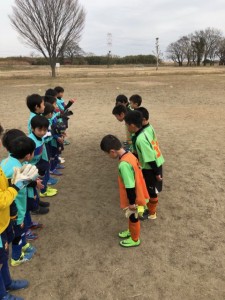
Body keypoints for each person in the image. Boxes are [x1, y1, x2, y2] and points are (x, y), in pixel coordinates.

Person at [100, 135, 149, 247]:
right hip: (139, 192)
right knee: (131, 216)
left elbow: (130, 186)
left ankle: (135, 239)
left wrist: (132, 203)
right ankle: (131, 231)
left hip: (135, 197)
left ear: (112, 151)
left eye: (107, 154)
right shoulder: (129, 154)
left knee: (133, 216)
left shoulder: (124, 165)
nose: (108, 156)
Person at [0, 124, 31, 300]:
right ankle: (3, 294)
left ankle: (7, 283)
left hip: (3, 221)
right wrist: (16, 187)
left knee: (3, 256)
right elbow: (3, 199)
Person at [1, 136, 38, 267]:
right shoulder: (16, 169)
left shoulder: (6, 162)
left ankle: (24, 244)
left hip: (11, 207)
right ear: (28, 155)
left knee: (20, 230)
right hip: (15, 209)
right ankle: (17, 257)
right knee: (18, 231)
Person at [124, 110, 164, 220]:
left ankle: (152, 213)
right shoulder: (144, 131)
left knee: (152, 191)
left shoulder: (140, 140)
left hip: (151, 168)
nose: (126, 128)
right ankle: (149, 209)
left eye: (127, 125)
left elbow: (150, 159)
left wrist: (156, 174)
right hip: (155, 164)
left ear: (132, 125)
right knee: (149, 189)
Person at [29, 116, 57, 198]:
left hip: (40, 161)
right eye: (40, 130)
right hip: (32, 167)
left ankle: (43, 190)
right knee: (33, 184)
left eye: (44, 130)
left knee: (43, 177)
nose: (42, 133)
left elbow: (43, 148)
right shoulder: (30, 141)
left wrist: (46, 160)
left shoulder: (40, 138)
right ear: (33, 128)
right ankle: (42, 193)